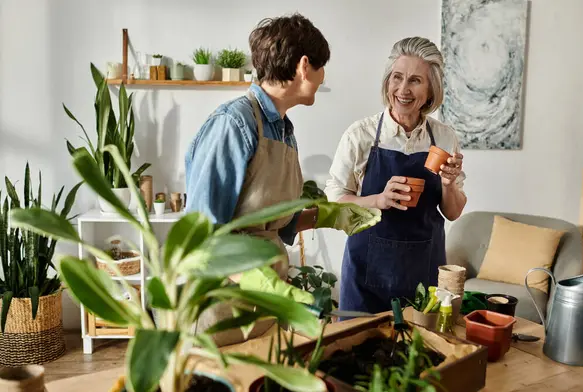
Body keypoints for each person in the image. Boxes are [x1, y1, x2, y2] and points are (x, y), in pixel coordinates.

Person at [184, 13, 379, 345]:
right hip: (221, 303)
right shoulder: (234, 124)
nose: (322, 76)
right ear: (305, 66)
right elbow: (200, 237)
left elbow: (270, 222)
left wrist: (328, 216)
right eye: (321, 67)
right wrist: (266, 286)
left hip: (261, 303)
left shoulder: (282, 128)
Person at [324, 37, 467, 315]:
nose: (403, 89)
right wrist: (378, 200)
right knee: (358, 352)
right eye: (397, 78)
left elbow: (453, 212)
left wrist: (449, 185)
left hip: (424, 273)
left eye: (415, 80)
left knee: (424, 354)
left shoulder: (444, 138)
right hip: (366, 274)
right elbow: (334, 201)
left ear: (430, 90)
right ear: (387, 81)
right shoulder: (360, 136)